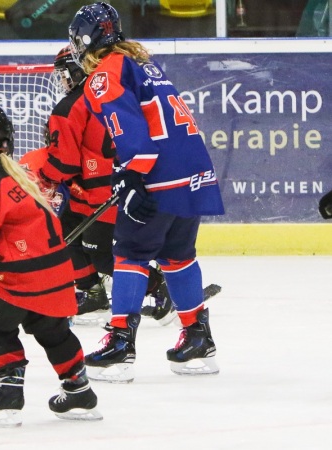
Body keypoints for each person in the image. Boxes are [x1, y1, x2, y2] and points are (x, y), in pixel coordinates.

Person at [68, 2, 225, 382]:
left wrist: (131, 174)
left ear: (86, 41)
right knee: (177, 254)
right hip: (193, 170)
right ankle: (197, 339)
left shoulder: (105, 73)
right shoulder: (141, 62)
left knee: (131, 252)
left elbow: (129, 129)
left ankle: (120, 342)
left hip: (159, 172)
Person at [0, 104, 102, 426]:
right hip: (58, 276)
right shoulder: (23, 174)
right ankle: (78, 389)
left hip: (22, 279)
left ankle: (8, 393)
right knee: (53, 331)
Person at [22, 44, 176, 326]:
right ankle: (92, 292)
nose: (63, 80)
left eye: (65, 73)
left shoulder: (69, 107)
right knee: (64, 230)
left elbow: (64, 163)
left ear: (78, 70)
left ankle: (159, 285)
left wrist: (44, 178)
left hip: (104, 190)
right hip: (99, 186)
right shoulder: (110, 93)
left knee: (103, 254)